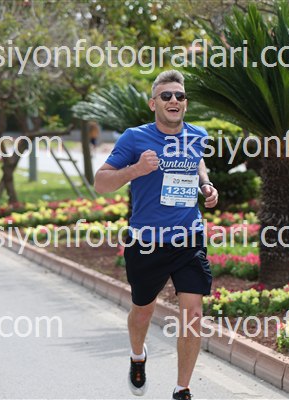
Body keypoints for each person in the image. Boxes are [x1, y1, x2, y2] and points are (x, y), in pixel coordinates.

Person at [93, 70, 218, 400]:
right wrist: (136, 169)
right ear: (153, 103)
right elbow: (101, 183)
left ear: (185, 103)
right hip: (147, 241)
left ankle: (182, 389)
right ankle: (138, 355)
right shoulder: (134, 138)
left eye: (179, 96)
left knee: (193, 314)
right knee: (143, 311)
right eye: (166, 96)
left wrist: (206, 185)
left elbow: (197, 162)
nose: (174, 100)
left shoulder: (198, 135)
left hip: (188, 239)